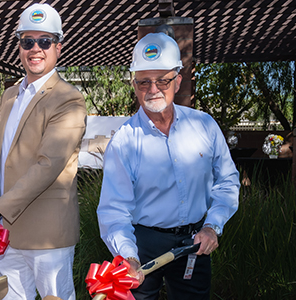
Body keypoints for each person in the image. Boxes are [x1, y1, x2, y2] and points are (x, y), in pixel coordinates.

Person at [97, 33, 240, 300]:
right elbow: (114, 211)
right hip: (143, 245)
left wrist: (212, 226)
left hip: (195, 242)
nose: (153, 89)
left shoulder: (204, 126)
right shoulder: (124, 141)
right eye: (143, 82)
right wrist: (129, 256)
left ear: (178, 81)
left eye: (162, 80)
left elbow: (227, 181)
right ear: (134, 84)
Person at [0, 3, 87, 299]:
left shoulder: (69, 99)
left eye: (44, 41)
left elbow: (48, 165)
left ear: (58, 47)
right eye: (27, 41)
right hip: (8, 235)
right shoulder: (10, 95)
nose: (36, 48)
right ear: (19, 46)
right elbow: (5, 144)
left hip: (48, 236)